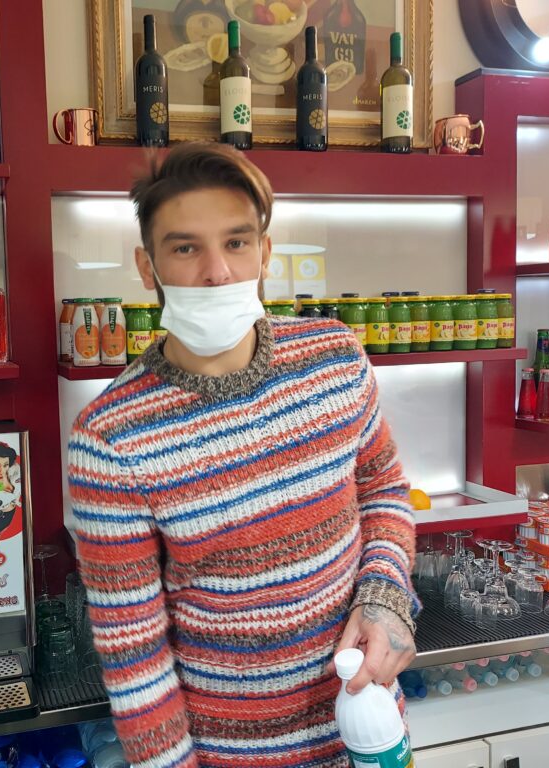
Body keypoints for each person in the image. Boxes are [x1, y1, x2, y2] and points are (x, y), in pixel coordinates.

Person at [67, 143, 419, 768]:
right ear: (147, 267)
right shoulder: (109, 438)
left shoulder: (336, 358)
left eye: (236, 242)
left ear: (265, 252)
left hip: (369, 734)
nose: (218, 272)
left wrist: (385, 596)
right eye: (185, 248)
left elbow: (384, 492)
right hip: (227, 755)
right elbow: (135, 656)